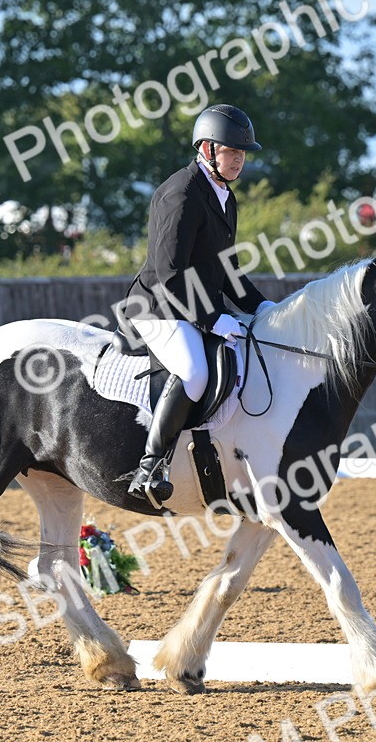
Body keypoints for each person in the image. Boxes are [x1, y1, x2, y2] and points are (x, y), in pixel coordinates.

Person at [120, 104, 276, 506]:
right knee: (193, 372)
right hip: (160, 307)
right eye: (231, 151)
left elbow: (228, 271)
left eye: (242, 153)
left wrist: (263, 308)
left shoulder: (224, 196)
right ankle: (150, 466)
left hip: (194, 306)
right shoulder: (182, 193)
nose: (239, 160)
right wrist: (212, 319)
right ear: (207, 149)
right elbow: (169, 273)